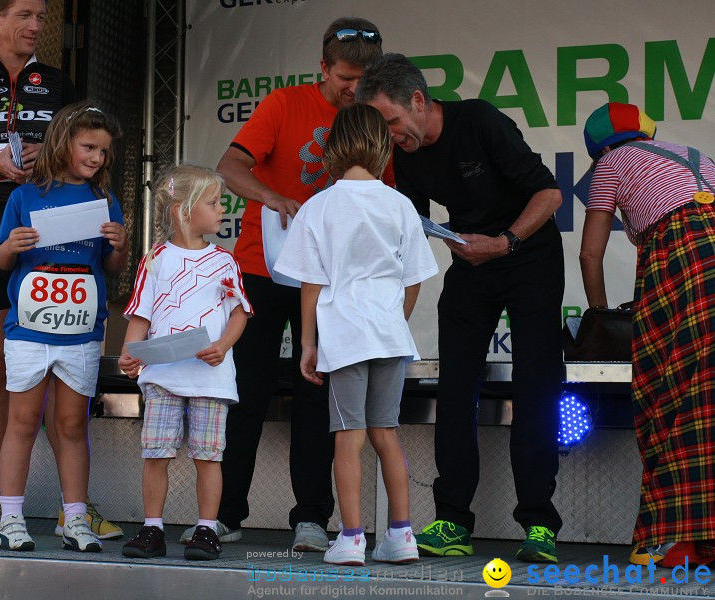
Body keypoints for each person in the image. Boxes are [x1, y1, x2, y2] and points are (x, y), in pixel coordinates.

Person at [180, 16, 385, 552]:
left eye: (363, 80)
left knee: (318, 392)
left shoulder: (370, 121)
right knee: (244, 390)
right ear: (323, 68)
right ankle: (225, 514)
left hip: (330, 278)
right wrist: (271, 197)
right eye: (345, 78)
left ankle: (313, 518)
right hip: (262, 268)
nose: (353, 89)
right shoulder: (284, 105)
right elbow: (228, 168)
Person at [357, 53, 565, 564]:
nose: (389, 135)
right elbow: (409, 227)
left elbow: (550, 193)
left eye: (390, 121)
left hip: (528, 254)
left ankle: (539, 523)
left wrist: (506, 242)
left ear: (419, 101)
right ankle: (452, 520)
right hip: (472, 263)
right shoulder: (403, 154)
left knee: (536, 384)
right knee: (453, 388)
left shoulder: (480, 120)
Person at [0, 0, 121, 541]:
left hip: (59, 224)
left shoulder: (58, 83)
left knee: (64, 372)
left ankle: (72, 507)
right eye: (26, 15)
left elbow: (89, 151)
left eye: (42, 18)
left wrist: (51, 156)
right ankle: (3, 504)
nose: (37, 26)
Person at [274, 105, 438, 566]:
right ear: (381, 145)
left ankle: (350, 539)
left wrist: (308, 344)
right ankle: (402, 534)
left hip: (344, 337)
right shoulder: (399, 203)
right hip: (389, 336)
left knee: (349, 436)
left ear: (334, 147)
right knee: (386, 432)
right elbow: (415, 278)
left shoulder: (319, 206)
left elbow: (311, 282)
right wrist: (394, 321)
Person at [579, 102, 715, 568]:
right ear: (649, 131)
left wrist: (598, 316)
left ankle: (672, 538)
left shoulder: (610, 163)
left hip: (683, 258)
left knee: (673, 393)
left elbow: (590, 254)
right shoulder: (695, 156)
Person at [0, 101, 128, 551]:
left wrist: (119, 245)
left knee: (71, 425)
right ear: (62, 142)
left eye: (103, 152)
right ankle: (10, 517)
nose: (96, 158)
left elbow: (113, 267)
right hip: (29, 331)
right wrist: (11, 244)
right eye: (89, 147)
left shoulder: (105, 201)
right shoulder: (25, 196)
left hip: (82, 333)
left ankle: (74, 517)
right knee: (23, 421)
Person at [119, 164, 252, 561]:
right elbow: (140, 315)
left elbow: (239, 312)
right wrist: (131, 354)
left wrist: (224, 346)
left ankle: (206, 529)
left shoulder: (225, 262)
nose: (221, 212)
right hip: (162, 377)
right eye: (213, 204)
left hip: (210, 379)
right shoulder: (155, 259)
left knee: (208, 455)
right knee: (156, 452)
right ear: (183, 210)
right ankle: (152, 528)